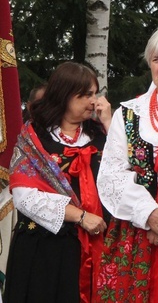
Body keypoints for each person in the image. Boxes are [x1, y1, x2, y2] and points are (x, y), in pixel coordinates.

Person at [95, 25, 158, 302]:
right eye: (156, 59)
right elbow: (112, 174)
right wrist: (150, 215)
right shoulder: (128, 113)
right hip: (136, 231)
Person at [5, 62, 110, 303]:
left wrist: (109, 124)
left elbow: (125, 174)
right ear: (63, 96)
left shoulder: (102, 134)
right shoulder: (33, 137)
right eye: (84, 95)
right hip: (42, 248)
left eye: (94, 94)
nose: (93, 101)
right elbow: (24, 195)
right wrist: (80, 216)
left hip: (93, 246)